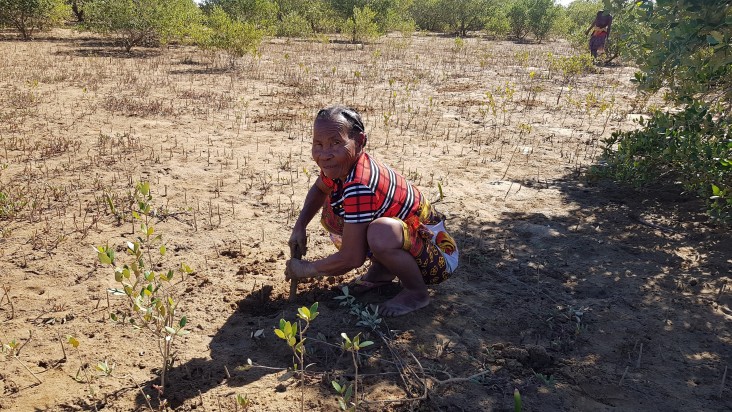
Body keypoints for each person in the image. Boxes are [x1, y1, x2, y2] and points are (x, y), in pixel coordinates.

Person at [285, 105, 459, 317]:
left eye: (336, 143)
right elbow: (320, 188)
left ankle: (416, 293)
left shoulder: (360, 183)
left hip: (438, 258)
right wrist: (299, 226)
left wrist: (306, 269)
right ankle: (381, 272)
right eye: (318, 144)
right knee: (340, 214)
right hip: (413, 244)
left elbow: (351, 258)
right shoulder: (340, 165)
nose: (324, 154)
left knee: (380, 232)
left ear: (359, 142)